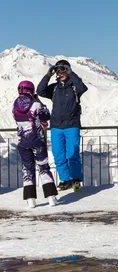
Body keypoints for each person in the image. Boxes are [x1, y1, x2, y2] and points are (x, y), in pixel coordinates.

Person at [37, 59, 88, 191]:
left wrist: (72, 73)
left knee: (72, 154)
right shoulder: (54, 88)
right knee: (58, 154)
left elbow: (83, 88)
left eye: (63, 69)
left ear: (68, 70)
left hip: (72, 125)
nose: (61, 72)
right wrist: (48, 75)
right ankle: (66, 179)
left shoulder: (75, 86)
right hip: (56, 126)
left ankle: (76, 179)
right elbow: (40, 91)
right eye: (58, 70)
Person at [12, 81, 59, 208]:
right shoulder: (36, 104)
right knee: (43, 167)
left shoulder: (14, 105)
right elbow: (46, 115)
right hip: (37, 140)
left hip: (22, 142)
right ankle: (51, 198)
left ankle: (30, 199)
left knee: (27, 169)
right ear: (31, 91)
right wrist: (40, 103)